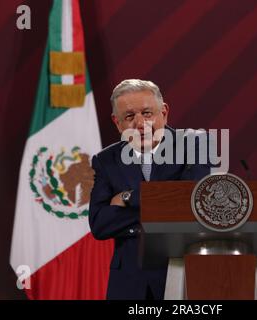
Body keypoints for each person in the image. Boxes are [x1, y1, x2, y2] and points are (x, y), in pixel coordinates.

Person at [88, 79, 211, 300]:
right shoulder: (106, 160)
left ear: (164, 112)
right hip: (128, 282)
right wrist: (164, 204)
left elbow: (189, 201)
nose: (139, 123)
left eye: (147, 113)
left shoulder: (194, 143)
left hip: (180, 273)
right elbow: (100, 224)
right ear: (117, 123)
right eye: (129, 116)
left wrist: (127, 197)